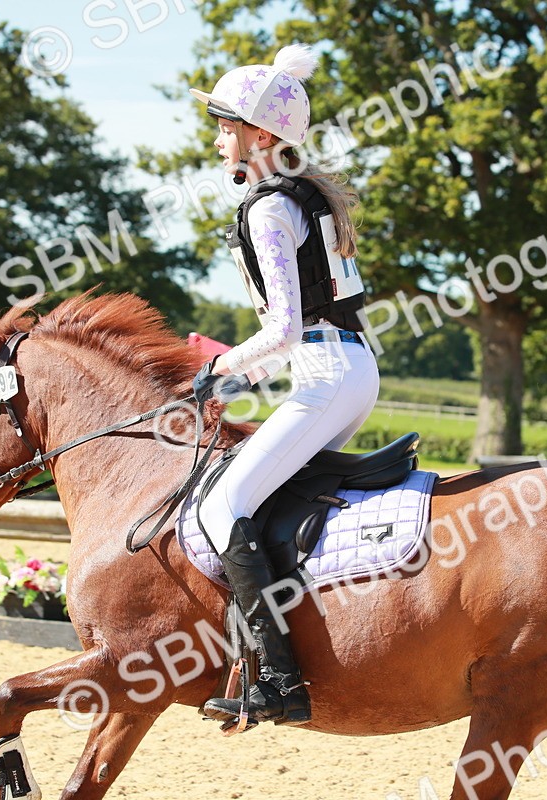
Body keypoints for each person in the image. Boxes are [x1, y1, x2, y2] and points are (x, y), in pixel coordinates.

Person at [189, 43, 380, 727]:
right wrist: (231, 367)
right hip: (348, 368)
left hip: (326, 373)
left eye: (226, 127)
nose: (217, 141)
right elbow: (289, 337)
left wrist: (215, 369)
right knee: (265, 499)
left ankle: (278, 680)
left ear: (261, 135)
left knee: (223, 506)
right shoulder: (303, 196)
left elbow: (286, 332)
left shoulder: (270, 207)